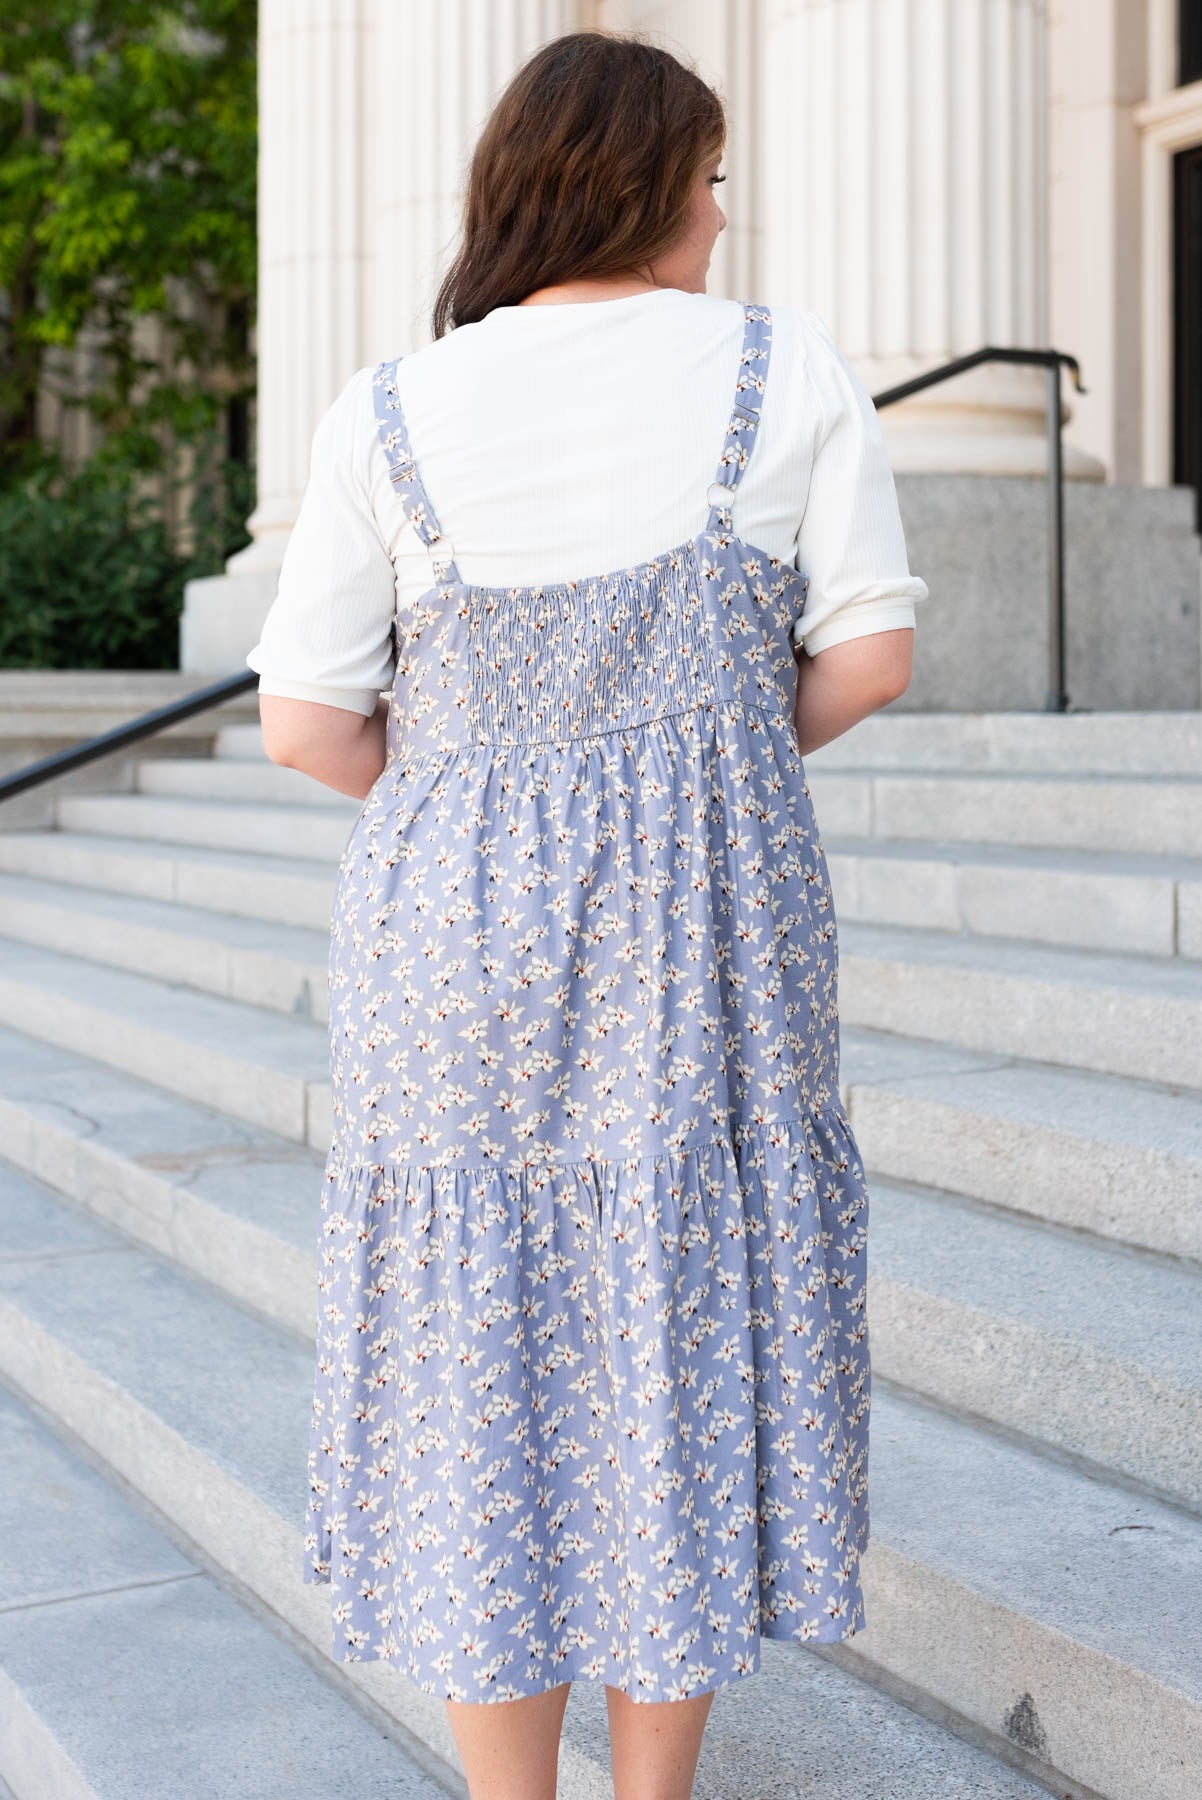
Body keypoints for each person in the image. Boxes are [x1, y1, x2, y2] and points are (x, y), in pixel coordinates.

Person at [245, 28, 928, 1800]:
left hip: (449, 926)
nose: (722, 213)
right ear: (635, 184)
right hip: (706, 922)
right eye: (708, 178)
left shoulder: (391, 405)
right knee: (675, 1309)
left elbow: (308, 720)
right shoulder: (781, 373)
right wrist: (698, 760)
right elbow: (871, 650)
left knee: (484, 1345)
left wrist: (488, 778)